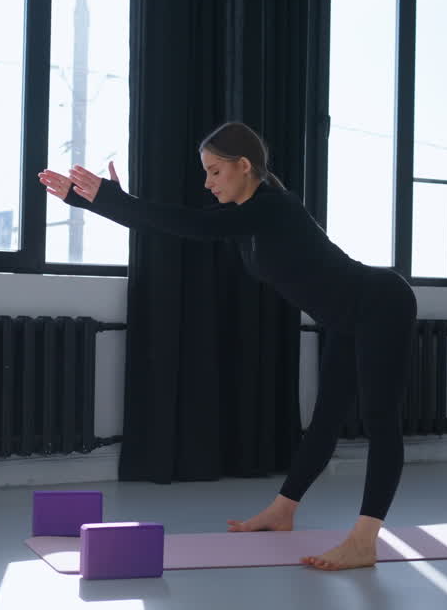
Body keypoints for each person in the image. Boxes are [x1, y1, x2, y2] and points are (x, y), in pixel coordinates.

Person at [39, 122, 417, 571]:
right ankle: (282, 511)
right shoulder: (245, 220)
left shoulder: (273, 207)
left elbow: (192, 224)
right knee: (325, 419)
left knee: (379, 419)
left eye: (215, 171)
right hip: (346, 318)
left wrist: (110, 199)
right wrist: (96, 202)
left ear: (244, 166)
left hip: (381, 303)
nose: (207, 183)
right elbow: (175, 228)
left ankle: (364, 540)